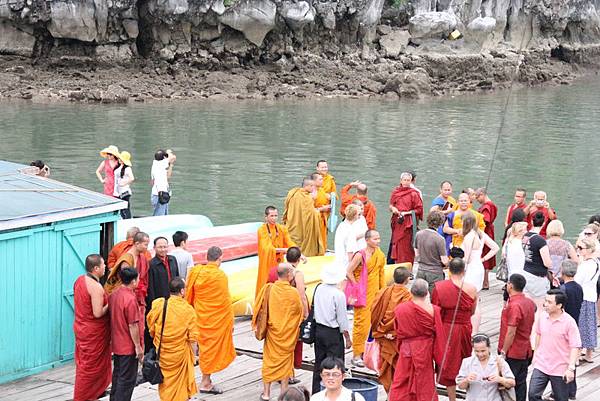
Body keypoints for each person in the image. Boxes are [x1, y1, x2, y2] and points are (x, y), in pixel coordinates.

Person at [185, 246, 236, 394]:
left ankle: (201, 380)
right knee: (209, 350)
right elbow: (225, 300)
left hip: (199, 316)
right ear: (220, 258)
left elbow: (189, 293)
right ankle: (205, 382)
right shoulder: (220, 276)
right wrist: (230, 320)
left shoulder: (196, 271)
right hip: (215, 319)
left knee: (201, 349)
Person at [388, 279, 445, 401]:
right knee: (424, 380)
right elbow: (439, 334)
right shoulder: (433, 310)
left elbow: (398, 330)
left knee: (402, 379)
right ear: (427, 293)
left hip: (407, 348)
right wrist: (440, 357)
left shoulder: (400, 309)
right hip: (425, 348)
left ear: (411, 292)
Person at [254, 263, 304, 400]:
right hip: (287, 334)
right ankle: (283, 393)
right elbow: (299, 313)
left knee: (269, 361)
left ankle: (266, 394)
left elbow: (259, 309)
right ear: (288, 275)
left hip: (273, 333)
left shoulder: (269, 289)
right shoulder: (293, 293)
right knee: (286, 363)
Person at [431, 258, 477, 401]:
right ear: (464, 271)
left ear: (449, 270)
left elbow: (435, 311)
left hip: (446, 328)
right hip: (463, 328)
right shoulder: (471, 288)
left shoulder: (439, 287)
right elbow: (472, 311)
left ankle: (452, 398)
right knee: (464, 359)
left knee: (448, 362)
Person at [146, 278, 198, 401]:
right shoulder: (188, 310)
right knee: (181, 386)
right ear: (182, 291)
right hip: (180, 355)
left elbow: (151, 327)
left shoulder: (159, 305)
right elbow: (193, 338)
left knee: (167, 383)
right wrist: (194, 356)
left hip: (163, 353)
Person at [528, 289, 581, 401]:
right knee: (532, 394)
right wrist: (536, 354)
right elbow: (538, 334)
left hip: (560, 368)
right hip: (541, 365)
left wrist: (571, 368)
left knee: (561, 398)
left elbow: (575, 346)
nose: (545, 304)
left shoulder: (569, 322)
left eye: (549, 302)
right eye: (545, 301)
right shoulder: (542, 317)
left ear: (559, 305)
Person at [267, 246, 309, 383]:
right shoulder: (297, 274)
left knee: (277, 345)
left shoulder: (275, 271)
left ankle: (278, 372)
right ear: (298, 260)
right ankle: (288, 374)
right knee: (291, 345)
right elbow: (301, 296)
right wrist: (306, 314)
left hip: (276, 313)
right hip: (291, 314)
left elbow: (267, 291)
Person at [73, 254, 111, 401]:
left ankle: (95, 393)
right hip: (93, 331)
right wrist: (111, 301)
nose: (105, 267)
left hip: (82, 328)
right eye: (103, 265)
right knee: (90, 367)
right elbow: (97, 313)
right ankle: (83, 396)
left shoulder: (80, 280)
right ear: (96, 268)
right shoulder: (95, 287)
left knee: (84, 363)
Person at [346, 230, 385, 367]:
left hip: (375, 293)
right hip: (362, 293)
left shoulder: (379, 254)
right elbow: (348, 271)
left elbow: (381, 274)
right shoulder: (360, 255)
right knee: (361, 323)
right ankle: (357, 354)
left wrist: (382, 292)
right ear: (367, 240)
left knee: (373, 323)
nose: (378, 241)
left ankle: (367, 351)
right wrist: (357, 286)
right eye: (375, 239)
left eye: (379, 238)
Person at [370, 267, 412, 393]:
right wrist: (393, 333)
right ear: (407, 280)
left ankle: (390, 393)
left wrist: (382, 331)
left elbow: (374, 312)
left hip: (384, 335)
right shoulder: (407, 296)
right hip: (395, 338)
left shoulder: (383, 292)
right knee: (398, 368)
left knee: (386, 367)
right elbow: (405, 319)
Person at [312, 263, 352, 394]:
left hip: (319, 330)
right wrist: (347, 338)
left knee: (319, 362)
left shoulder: (318, 288)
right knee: (335, 364)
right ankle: (333, 393)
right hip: (332, 332)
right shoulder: (338, 294)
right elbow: (342, 320)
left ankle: (317, 391)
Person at [498, 273, 535, 401]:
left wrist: (504, 350)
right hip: (525, 349)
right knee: (521, 382)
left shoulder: (514, 305)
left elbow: (511, 331)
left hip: (513, 351)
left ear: (511, 286)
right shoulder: (529, 302)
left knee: (509, 383)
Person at [109, 267, 143, 401]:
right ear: (134, 281)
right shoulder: (130, 299)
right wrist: (138, 346)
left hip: (117, 344)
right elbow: (133, 325)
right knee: (127, 381)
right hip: (127, 346)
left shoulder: (114, 295)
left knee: (117, 377)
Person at [456, 333, 515, 401]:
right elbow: (460, 386)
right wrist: (466, 380)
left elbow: (512, 383)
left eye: (483, 351)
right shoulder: (467, 362)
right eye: (477, 351)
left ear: (489, 348)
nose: (480, 354)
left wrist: (500, 379)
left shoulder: (499, 361)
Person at [146, 237, 179, 351]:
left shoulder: (173, 260)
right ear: (154, 248)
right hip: (160, 301)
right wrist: (153, 306)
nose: (163, 249)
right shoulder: (152, 264)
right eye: (160, 247)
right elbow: (150, 287)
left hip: (174, 299)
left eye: (165, 246)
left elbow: (177, 278)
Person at [256, 206, 297, 298]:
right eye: (272, 216)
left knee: (280, 283)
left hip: (279, 262)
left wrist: (298, 253)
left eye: (276, 215)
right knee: (266, 284)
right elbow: (267, 248)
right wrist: (283, 250)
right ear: (266, 217)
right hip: (267, 263)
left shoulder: (282, 228)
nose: (274, 218)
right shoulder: (262, 230)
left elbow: (289, 242)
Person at [283, 176, 325, 257]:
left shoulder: (292, 192)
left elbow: (286, 206)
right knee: (301, 244)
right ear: (307, 186)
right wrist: (321, 210)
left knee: (291, 242)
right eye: (312, 186)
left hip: (291, 223)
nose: (314, 188)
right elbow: (311, 214)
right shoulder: (307, 198)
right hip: (301, 227)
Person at [560, 260, 583, 401]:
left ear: (563, 272)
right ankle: (572, 391)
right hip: (575, 324)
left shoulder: (564, 289)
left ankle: (562, 391)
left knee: (563, 360)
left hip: (564, 327)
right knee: (571, 361)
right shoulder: (579, 287)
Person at [388, 172, 423, 264]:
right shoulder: (396, 192)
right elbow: (391, 205)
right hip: (397, 221)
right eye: (405, 180)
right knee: (396, 243)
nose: (406, 182)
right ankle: (397, 265)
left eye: (408, 180)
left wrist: (407, 213)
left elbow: (419, 209)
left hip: (408, 223)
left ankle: (407, 267)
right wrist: (393, 209)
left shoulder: (414, 194)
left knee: (406, 246)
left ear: (411, 181)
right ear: (401, 181)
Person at [574, 237, 599, 364]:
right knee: (590, 326)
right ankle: (589, 353)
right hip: (592, 296)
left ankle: (577, 356)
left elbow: (578, 281)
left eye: (581, 248)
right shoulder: (596, 263)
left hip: (583, 297)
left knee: (580, 326)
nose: (578, 250)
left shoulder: (585, 265)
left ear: (589, 250)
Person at [461, 211, 499, 293]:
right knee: (476, 296)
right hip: (479, 265)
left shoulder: (469, 237)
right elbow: (495, 248)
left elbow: (467, 259)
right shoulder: (481, 233)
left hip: (470, 269)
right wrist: (483, 259)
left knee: (467, 296)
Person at [522, 212, 553, 313]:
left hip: (526, 272)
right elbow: (547, 263)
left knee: (527, 305)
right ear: (544, 223)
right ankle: (537, 328)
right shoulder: (540, 241)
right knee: (540, 308)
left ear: (531, 221)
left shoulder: (525, 236)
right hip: (537, 277)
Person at [415, 211, 449, 293]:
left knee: (419, 296)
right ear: (441, 223)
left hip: (421, 270)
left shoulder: (418, 234)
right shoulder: (440, 239)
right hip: (435, 273)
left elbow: (416, 254)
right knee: (434, 298)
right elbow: (444, 261)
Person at [475, 188, 498, 289]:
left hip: (485, 232)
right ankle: (485, 281)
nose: (476, 199)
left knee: (484, 254)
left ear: (482, 195)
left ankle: (485, 282)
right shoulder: (492, 205)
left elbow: (485, 220)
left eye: (477, 197)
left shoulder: (487, 206)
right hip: (489, 231)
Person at [334, 204, 361, 270]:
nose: (360, 217)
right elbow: (350, 251)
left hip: (339, 259)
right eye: (359, 214)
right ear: (354, 215)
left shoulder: (342, 225)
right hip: (346, 263)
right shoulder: (350, 230)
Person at [151, 149, 176, 216]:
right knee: (160, 217)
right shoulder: (161, 164)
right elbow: (173, 157)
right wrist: (168, 152)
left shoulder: (155, 165)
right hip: (160, 195)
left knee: (162, 216)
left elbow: (167, 178)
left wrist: (170, 165)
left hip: (159, 194)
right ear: (164, 158)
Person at [312, 172, 332, 254]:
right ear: (314, 181)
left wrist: (330, 198)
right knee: (316, 238)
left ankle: (322, 250)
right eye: (320, 179)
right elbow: (308, 211)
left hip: (323, 219)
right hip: (315, 220)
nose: (322, 181)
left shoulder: (321, 190)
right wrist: (322, 208)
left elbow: (325, 198)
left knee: (323, 237)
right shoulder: (312, 194)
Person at [113, 151, 135, 219]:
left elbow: (132, 178)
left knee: (125, 209)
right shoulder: (118, 167)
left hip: (124, 191)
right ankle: (122, 220)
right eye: (119, 158)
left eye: (121, 159)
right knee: (120, 209)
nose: (119, 160)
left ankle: (127, 221)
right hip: (117, 191)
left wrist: (124, 183)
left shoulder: (127, 168)